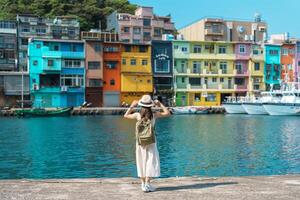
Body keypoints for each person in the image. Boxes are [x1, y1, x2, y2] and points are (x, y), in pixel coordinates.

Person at [124, 95, 170, 192]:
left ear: (141, 105)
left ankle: (142, 184)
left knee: (141, 161)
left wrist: (132, 106)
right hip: (151, 141)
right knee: (151, 161)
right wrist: (160, 104)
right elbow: (167, 113)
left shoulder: (137, 115)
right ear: (150, 105)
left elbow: (125, 115)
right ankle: (148, 184)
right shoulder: (154, 114)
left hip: (140, 142)